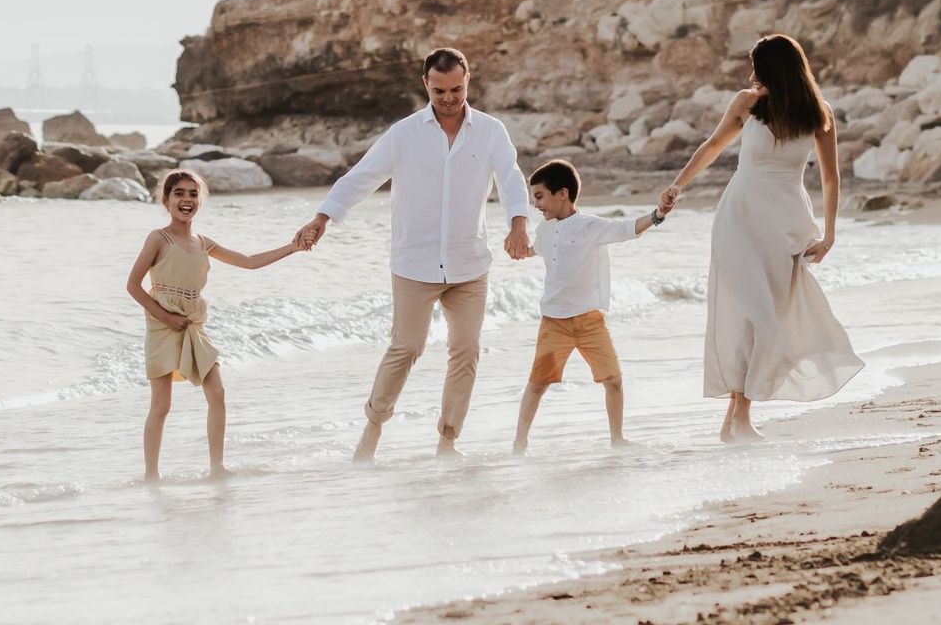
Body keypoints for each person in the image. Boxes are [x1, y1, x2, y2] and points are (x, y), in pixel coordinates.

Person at [295, 47, 533, 461]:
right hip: (413, 264)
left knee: (466, 350)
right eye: (440, 90)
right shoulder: (403, 134)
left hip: (468, 264)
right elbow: (361, 177)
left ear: (468, 80)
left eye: (456, 89)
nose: (448, 98)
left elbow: (511, 178)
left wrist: (518, 223)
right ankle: (372, 428)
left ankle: (448, 440)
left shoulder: (492, 131)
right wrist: (322, 218)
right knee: (406, 348)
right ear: (425, 84)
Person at [662, 34, 863, 441]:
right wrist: (677, 185)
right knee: (749, 317)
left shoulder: (818, 113)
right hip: (739, 217)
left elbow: (829, 176)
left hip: (785, 224)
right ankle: (741, 418)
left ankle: (734, 420)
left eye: (757, 64)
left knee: (769, 323)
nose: (751, 74)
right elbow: (713, 145)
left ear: (775, 68)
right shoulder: (746, 103)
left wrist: (830, 234)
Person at [125, 168, 302, 481]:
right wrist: (166, 317)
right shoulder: (158, 238)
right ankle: (151, 474)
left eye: (193, 194)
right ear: (166, 200)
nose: (187, 199)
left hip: (193, 325)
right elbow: (133, 285)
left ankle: (217, 467)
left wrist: (293, 247)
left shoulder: (203, 242)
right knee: (161, 404)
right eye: (179, 193)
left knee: (217, 393)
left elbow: (248, 262)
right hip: (163, 325)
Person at [512, 159, 671, 454]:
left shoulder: (590, 226)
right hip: (553, 322)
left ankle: (617, 439)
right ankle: (519, 443)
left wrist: (657, 214)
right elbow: (538, 250)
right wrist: (522, 250)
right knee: (536, 384)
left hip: (589, 321)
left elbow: (627, 229)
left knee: (613, 380)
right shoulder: (544, 231)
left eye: (539, 197)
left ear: (562, 194)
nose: (536, 205)